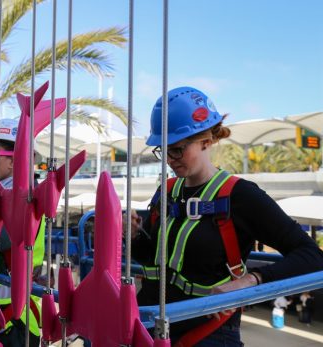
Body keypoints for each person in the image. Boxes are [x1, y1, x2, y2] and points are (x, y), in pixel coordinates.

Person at [129, 86, 323, 346]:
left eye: (177, 149)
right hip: (152, 325)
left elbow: (311, 255)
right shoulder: (167, 191)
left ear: (207, 141)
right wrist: (132, 235)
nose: (170, 160)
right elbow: (154, 258)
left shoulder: (241, 196)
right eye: (163, 150)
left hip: (208, 332)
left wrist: (251, 281)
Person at [0, 118, 45, 347]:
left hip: (13, 316)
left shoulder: (23, 198)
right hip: (0, 311)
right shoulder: (0, 192)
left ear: (13, 160)